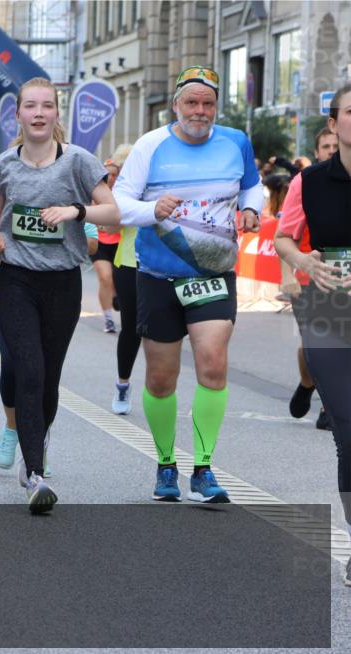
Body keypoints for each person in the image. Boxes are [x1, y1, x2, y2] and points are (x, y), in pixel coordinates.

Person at [113, 66, 263, 503]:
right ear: (176, 105)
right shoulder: (150, 145)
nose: (200, 111)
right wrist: (152, 208)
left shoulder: (235, 141)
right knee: (161, 378)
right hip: (158, 274)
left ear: (216, 106)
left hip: (213, 274)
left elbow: (251, 187)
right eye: (192, 102)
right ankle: (165, 464)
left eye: (208, 103)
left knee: (213, 364)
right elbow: (120, 202)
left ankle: (202, 467)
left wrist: (252, 210)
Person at [0, 77, 120, 513]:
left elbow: (112, 210)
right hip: (17, 281)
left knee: (48, 377)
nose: (39, 113)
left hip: (62, 282)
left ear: (57, 113)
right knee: (28, 369)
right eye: (30, 106)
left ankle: (34, 438)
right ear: (19, 114)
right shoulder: (4, 164)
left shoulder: (78, 161)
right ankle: (35, 473)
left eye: (46, 106)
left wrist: (75, 211)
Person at [274, 83, 351, 586]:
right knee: (348, 426)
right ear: (334, 124)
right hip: (329, 308)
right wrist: (302, 260)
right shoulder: (311, 181)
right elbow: (284, 235)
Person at [280, 126, 339, 431]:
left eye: (334, 145)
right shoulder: (307, 182)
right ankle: (307, 383)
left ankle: (331, 405)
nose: (331, 149)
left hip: (342, 278)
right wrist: (287, 273)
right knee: (313, 344)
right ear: (317, 152)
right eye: (325, 146)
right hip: (307, 277)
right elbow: (284, 235)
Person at [103, 143, 140, 415]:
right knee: (132, 328)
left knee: (161, 333)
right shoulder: (122, 192)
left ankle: (159, 388)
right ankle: (123, 384)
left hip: (165, 266)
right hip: (129, 263)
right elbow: (111, 226)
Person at [91, 152, 125, 334]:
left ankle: (115, 295)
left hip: (121, 243)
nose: (110, 178)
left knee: (117, 282)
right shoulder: (95, 192)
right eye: (107, 174)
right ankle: (109, 319)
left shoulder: (124, 193)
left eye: (114, 174)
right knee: (105, 277)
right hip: (100, 243)